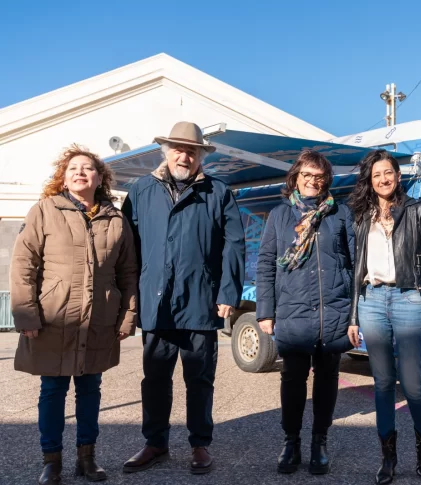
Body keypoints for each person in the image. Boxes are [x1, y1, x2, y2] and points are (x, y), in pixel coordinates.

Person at [121, 122, 246, 475]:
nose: (184, 155)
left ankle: (200, 445)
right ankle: (155, 443)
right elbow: (127, 246)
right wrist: (130, 297)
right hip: (156, 302)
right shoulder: (143, 190)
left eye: (191, 150)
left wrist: (227, 292)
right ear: (166, 151)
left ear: (200, 156)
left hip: (200, 302)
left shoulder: (217, 192)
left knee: (199, 378)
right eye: (177, 148)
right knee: (155, 377)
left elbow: (233, 245)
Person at [11, 145, 138, 484]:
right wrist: (26, 315)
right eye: (73, 168)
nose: (80, 172)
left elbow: (128, 273)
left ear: (100, 178)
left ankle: (87, 457)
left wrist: (127, 316)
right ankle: (51, 460)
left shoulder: (116, 218)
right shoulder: (44, 211)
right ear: (63, 177)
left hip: (99, 321)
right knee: (52, 391)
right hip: (54, 319)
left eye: (88, 168)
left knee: (90, 389)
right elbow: (24, 265)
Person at [347, 150, 421, 484]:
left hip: (408, 298)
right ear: (370, 180)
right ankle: (388, 458)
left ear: (398, 175)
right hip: (371, 300)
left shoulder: (418, 209)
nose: (383, 179)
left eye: (388, 173)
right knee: (383, 383)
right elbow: (356, 267)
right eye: (376, 175)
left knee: (414, 384)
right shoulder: (362, 215)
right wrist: (352, 317)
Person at [256, 150, 355, 475]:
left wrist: (355, 314)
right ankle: (291, 441)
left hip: (334, 312)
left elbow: (355, 266)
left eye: (319, 176)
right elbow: (267, 265)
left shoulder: (340, 214)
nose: (313, 181)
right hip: (293, 312)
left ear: (326, 180)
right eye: (306, 175)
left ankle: (319, 442)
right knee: (293, 379)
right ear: (295, 178)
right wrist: (265, 312)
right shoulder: (279, 216)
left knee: (327, 379)